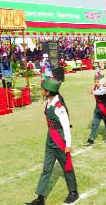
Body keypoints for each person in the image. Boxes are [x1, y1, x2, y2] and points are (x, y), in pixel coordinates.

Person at [26, 77, 79, 205]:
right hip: (50, 138)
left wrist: (68, 144)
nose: (41, 91)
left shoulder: (58, 106)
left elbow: (66, 125)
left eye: (43, 90)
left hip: (59, 139)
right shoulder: (49, 102)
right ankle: (40, 198)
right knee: (46, 168)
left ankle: (73, 192)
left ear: (48, 92)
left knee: (66, 167)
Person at [85, 73, 106, 146]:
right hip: (98, 109)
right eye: (95, 82)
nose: (96, 83)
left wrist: (93, 92)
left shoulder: (105, 87)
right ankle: (91, 139)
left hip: (105, 108)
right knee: (94, 124)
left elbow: (101, 92)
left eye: (98, 82)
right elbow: (103, 79)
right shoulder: (96, 87)